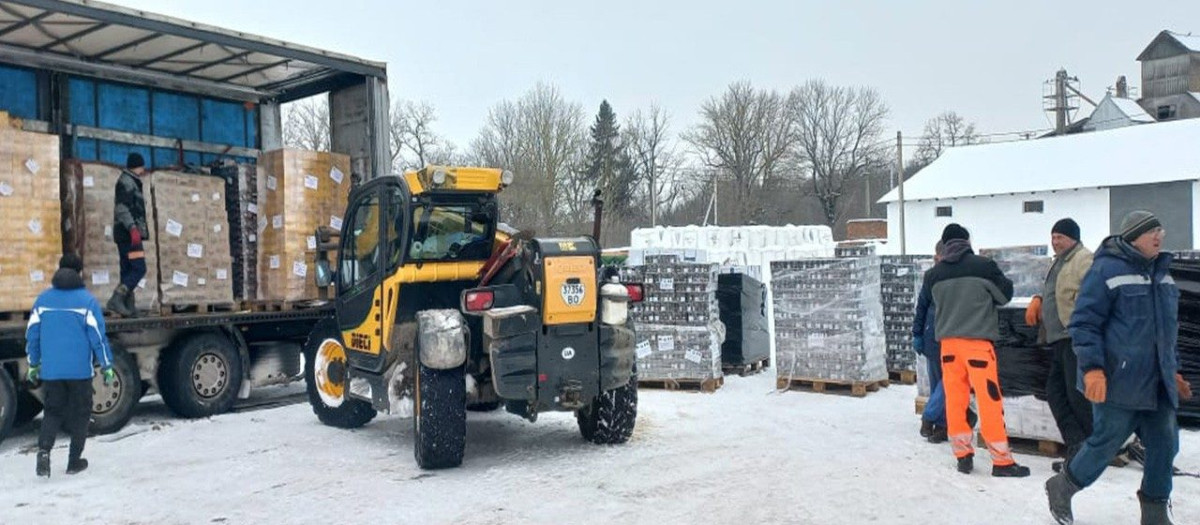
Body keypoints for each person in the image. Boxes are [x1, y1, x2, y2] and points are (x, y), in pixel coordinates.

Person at [1046, 211, 1194, 525]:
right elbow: (1084, 324)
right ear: (1134, 236)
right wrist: (1092, 369)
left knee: (1165, 446)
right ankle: (1063, 487)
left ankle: (1154, 510)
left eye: (1161, 230)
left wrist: (1174, 370)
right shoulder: (1105, 270)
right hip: (1118, 380)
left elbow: (1167, 331)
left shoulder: (1162, 274)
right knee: (1105, 444)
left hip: (1157, 384)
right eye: (1152, 231)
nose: (1159, 236)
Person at [919, 223, 1030, 477]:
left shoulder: (934, 275)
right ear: (967, 241)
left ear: (944, 244)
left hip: (947, 347)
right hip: (978, 345)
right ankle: (1001, 461)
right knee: (988, 401)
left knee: (956, 402)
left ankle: (963, 456)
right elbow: (1005, 296)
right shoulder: (983, 266)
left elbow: (931, 304)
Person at [26, 254, 115, 477]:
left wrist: (33, 364)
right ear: (80, 272)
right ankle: (74, 461)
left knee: (52, 411)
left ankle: (44, 452)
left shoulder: (43, 301)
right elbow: (98, 338)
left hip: (52, 372)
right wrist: (107, 366)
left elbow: (32, 335)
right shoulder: (87, 301)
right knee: (81, 413)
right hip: (80, 372)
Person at [1024, 218, 1094, 471]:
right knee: (1056, 392)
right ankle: (1078, 445)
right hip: (1058, 339)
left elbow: (1091, 294)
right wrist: (1039, 298)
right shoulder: (1060, 262)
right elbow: (1054, 288)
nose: (1055, 242)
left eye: (1060, 237)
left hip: (1074, 337)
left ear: (1073, 238)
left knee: (1076, 396)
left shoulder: (1083, 259)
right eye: (1053, 237)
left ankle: (1089, 452)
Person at [107, 152, 149, 318]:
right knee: (139, 268)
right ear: (138, 165)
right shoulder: (127, 182)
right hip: (129, 235)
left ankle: (128, 306)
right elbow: (122, 208)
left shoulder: (131, 181)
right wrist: (133, 228)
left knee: (128, 269)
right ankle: (117, 298)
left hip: (126, 234)